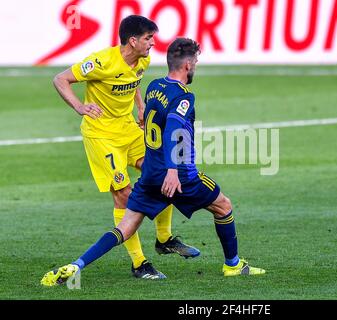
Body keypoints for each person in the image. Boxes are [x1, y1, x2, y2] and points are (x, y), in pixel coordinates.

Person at [41, 37, 265, 286]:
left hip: (149, 175)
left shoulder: (154, 87)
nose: (197, 66)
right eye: (197, 62)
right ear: (188, 66)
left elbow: (149, 117)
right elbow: (172, 129)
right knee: (223, 206)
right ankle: (232, 265)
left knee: (124, 228)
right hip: (179, 176)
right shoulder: (184, 97)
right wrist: (172, 170)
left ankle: (76, 265)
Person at [51, 15, 200, 279]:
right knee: (124, 193)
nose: (153, 43)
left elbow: (134, 82)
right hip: (102, 136)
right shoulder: (101, 61)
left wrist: (141, 106)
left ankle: (164, 239)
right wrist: (79, 107)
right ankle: (139, 263)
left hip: (128, 129)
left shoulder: (142, 59)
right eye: (148, 38)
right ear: (133, 40)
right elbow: (60, 79)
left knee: (163, 170)